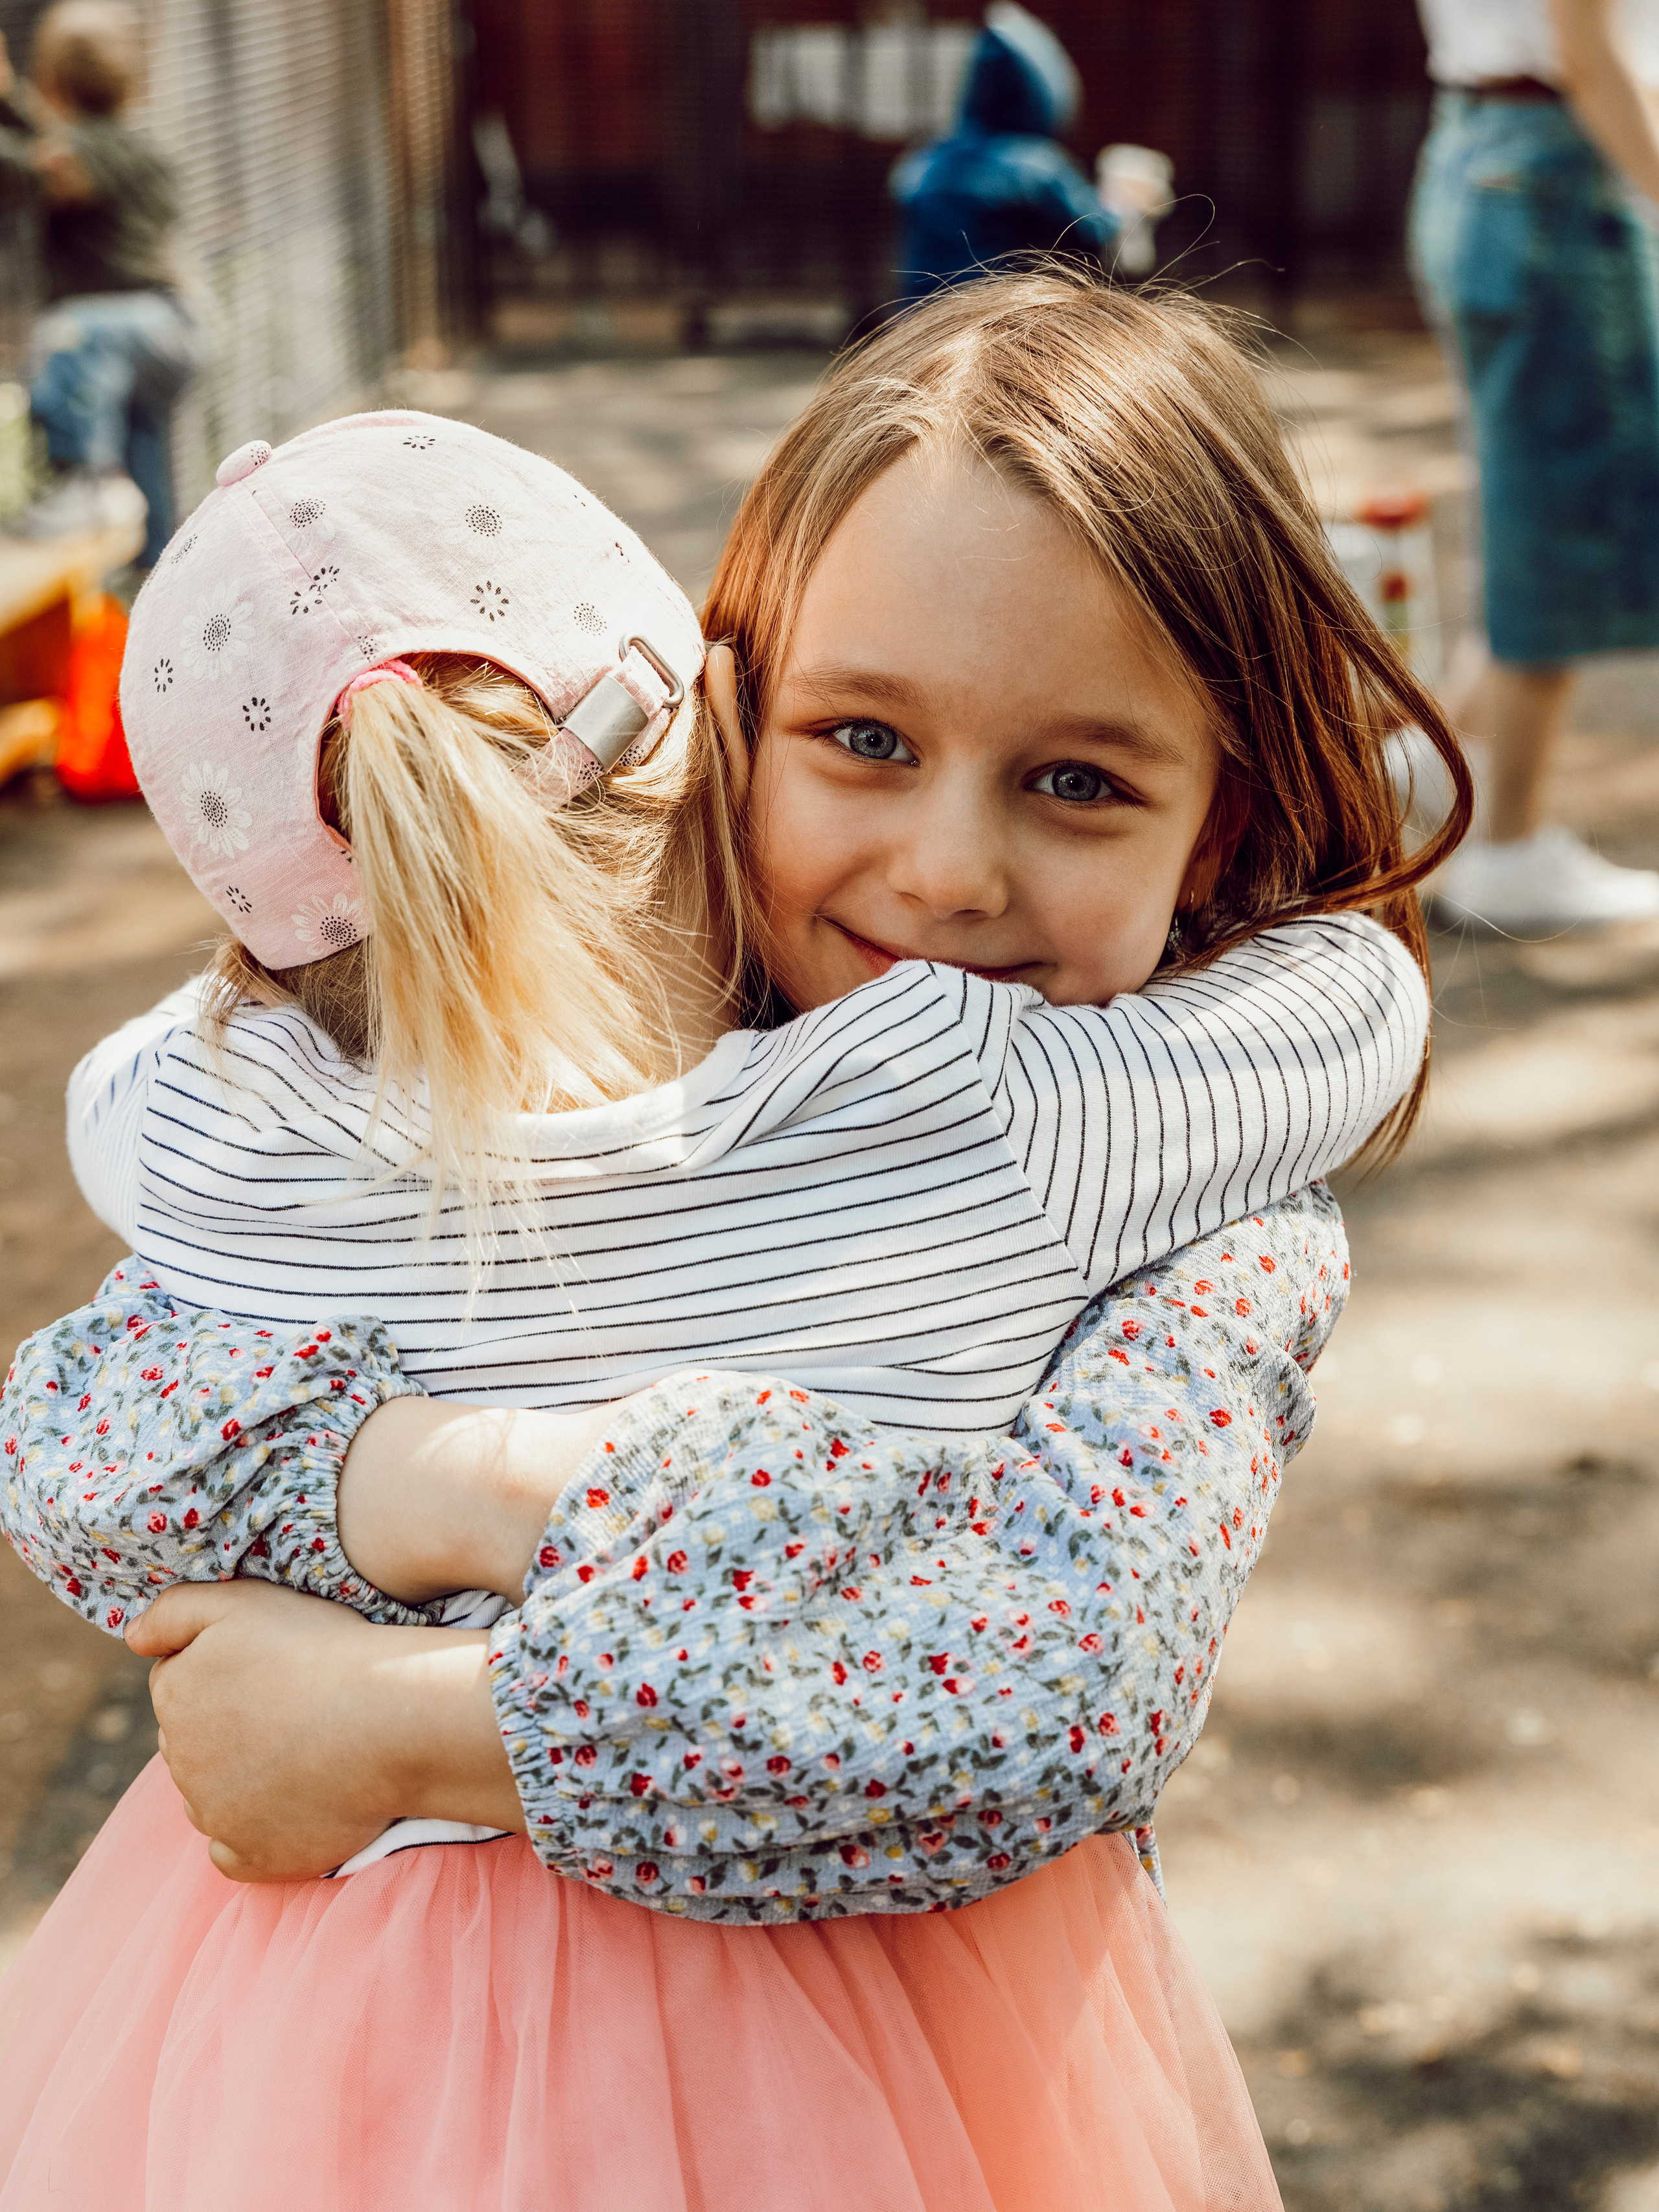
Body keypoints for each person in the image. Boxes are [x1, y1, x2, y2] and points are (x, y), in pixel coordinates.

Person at [0, 274, 1469, 2207]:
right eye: (863, 739)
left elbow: (1049, 1676)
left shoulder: (1182, 1207)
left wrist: (398, 1729)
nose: (946, 870)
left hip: (903, 2087)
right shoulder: (534, 1055)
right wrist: (449, 1487)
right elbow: (83, 1420)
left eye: (1078, 781)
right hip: (353, 2085)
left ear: (1219, 821)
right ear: (727, 714)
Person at [1413, 0, 1659, 929]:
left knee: (1534, 504)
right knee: (1557, 523)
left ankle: (1438, 759)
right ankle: (1507, 849)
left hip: (1493, 152)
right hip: (1557, 171)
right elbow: (1590, 58)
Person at [0, 1, 201, 571]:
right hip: (161, 333)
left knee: (68, 332)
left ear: (53, 81)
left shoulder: (83, 155)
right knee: (145, 462)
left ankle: (83, 484)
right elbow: (48, 142)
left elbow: (32, 166)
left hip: (132, 329)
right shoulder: (122, 143)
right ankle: (155, 579)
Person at [890, 3, 1119, 300]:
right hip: (990, 326)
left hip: (919, 321)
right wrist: (1122, 203)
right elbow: (1095, 231)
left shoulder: (926, 159)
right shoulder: (1036, 165)